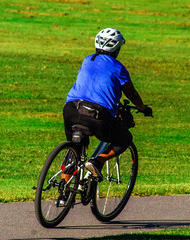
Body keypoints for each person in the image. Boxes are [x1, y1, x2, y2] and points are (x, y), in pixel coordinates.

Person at [62, 27, 152, 182]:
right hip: (96, 114)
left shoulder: (87, 60)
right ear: (116, 48)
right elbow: (130, 93)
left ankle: (63, 187)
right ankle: (97, 162)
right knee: (124, 139)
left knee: (75, 148)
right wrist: (142, 108)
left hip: (70, 109)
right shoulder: (118, 67)